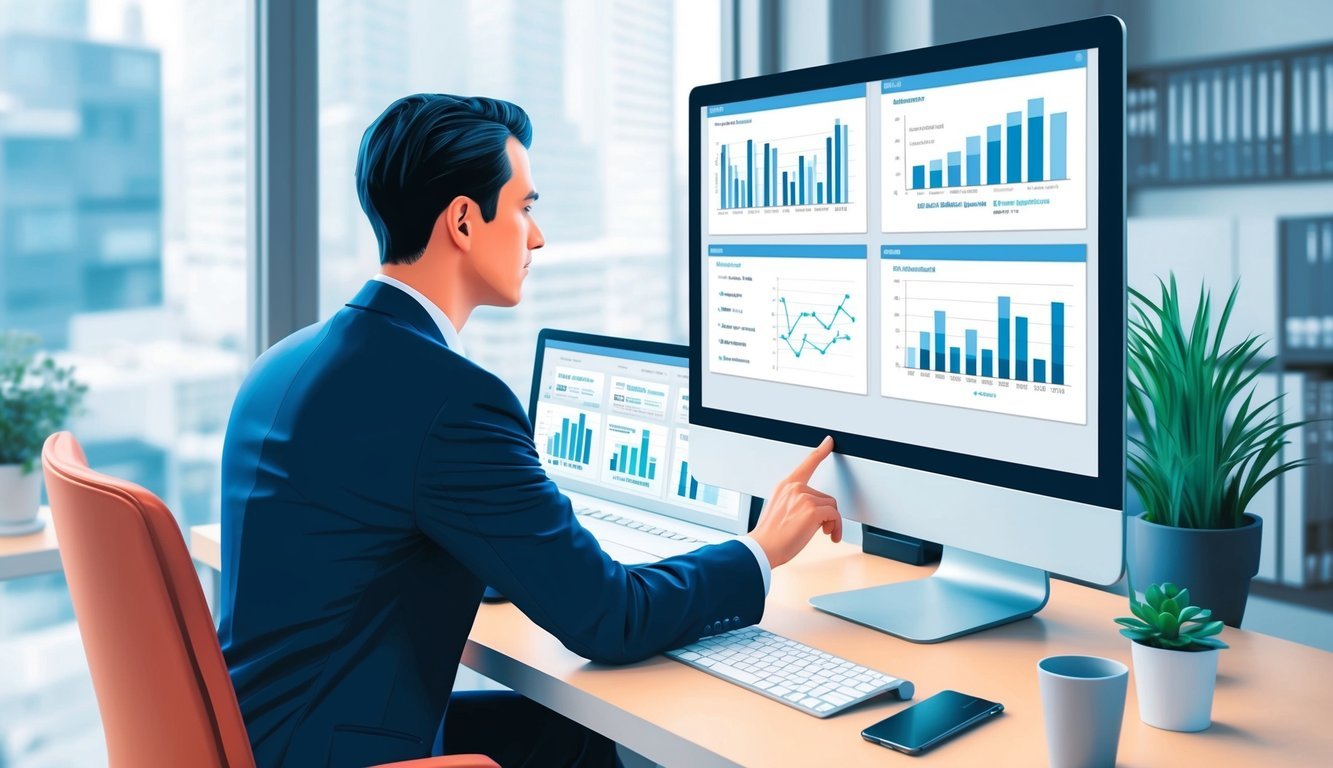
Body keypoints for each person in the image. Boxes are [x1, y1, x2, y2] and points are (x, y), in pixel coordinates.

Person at [219, 93, 842, 768]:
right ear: (462, 220)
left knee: (569, 735)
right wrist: (759, 550)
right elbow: (610, 619)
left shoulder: (283, 362)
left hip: (259, 740)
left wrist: (519, 553)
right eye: (523, 207)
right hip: (344, 755)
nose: (536, 237)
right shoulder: (450, 400)